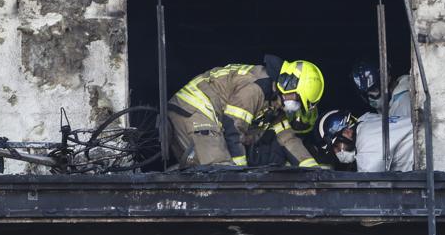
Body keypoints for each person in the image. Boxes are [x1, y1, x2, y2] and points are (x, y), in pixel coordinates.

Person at [169, 57, 324, 168]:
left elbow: (288, 140)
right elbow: (233, 126)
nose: (295, 105)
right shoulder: (257, 87)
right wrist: (241, 171)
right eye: (297, 98)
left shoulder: (277, 102)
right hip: (194, 107)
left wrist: (315, 172)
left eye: (299, 104)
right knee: (220, 169)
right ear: (289, 83)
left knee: (212, 171)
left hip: (205, 115)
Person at [321, 61, 414, 171]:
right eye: (367, 94)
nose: (371, 98)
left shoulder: (404, 102)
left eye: (336, 146)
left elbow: (371, 182)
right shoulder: (367, 119)